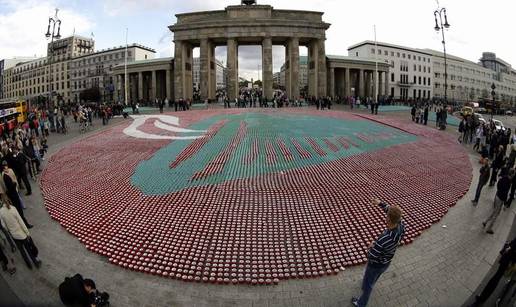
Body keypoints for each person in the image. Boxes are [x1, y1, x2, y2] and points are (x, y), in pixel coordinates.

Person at [351, 199, 405, 307]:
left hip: (376, 264)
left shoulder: (384, 239)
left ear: (388, 219)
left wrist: (370, 247)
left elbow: (372, 256)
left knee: (368, 284)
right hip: (387, 261)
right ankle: (367, 283)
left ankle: (361, 303)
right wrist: (380, 204)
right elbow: (391, 212)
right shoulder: (401, 226)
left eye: (387, 216)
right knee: (374, 277)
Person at [471, 237, 516, 306]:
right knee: (505, 281)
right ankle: (497, 299)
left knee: (496, 278)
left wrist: (510, 247)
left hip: (510, 259)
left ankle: (481, 299)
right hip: (512, 260)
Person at [0, 200, 41, 269]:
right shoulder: (13, 209)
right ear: (9, 201)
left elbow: (4, 226)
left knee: (22, 251)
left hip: (14, 235)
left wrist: (9, 230)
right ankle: (35, 263)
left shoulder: (1, 212)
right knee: (28, 249)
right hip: (21, 234)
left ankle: (29, 265)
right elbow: (21, 222)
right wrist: (27, 233)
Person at [483, 168, 510, 234]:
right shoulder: (508, 181)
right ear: (512, 175)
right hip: (501, 199)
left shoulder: (503, 178)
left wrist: (498, 191)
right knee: (496, 214)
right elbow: (505, 193)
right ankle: (489, 228)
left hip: (497, 196)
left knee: (494, 211)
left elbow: (498, 185)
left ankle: (485, 221)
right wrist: (505, 203)